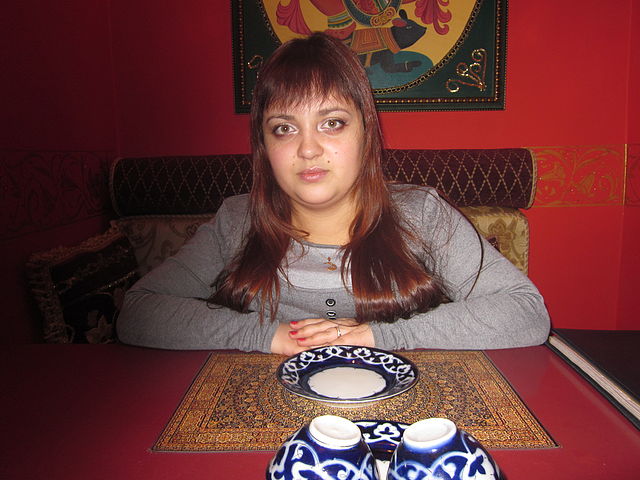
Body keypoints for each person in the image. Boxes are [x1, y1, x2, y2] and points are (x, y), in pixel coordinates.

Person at [116, 33, 550, 355]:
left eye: (332, 123)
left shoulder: (422, 214)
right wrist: (269, 336)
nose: (308, 149)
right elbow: (138, 312)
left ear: (366, 132)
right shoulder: (237, 220)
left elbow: (525, 312)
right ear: (264, 146)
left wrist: (378, 336)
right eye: (284, 128)